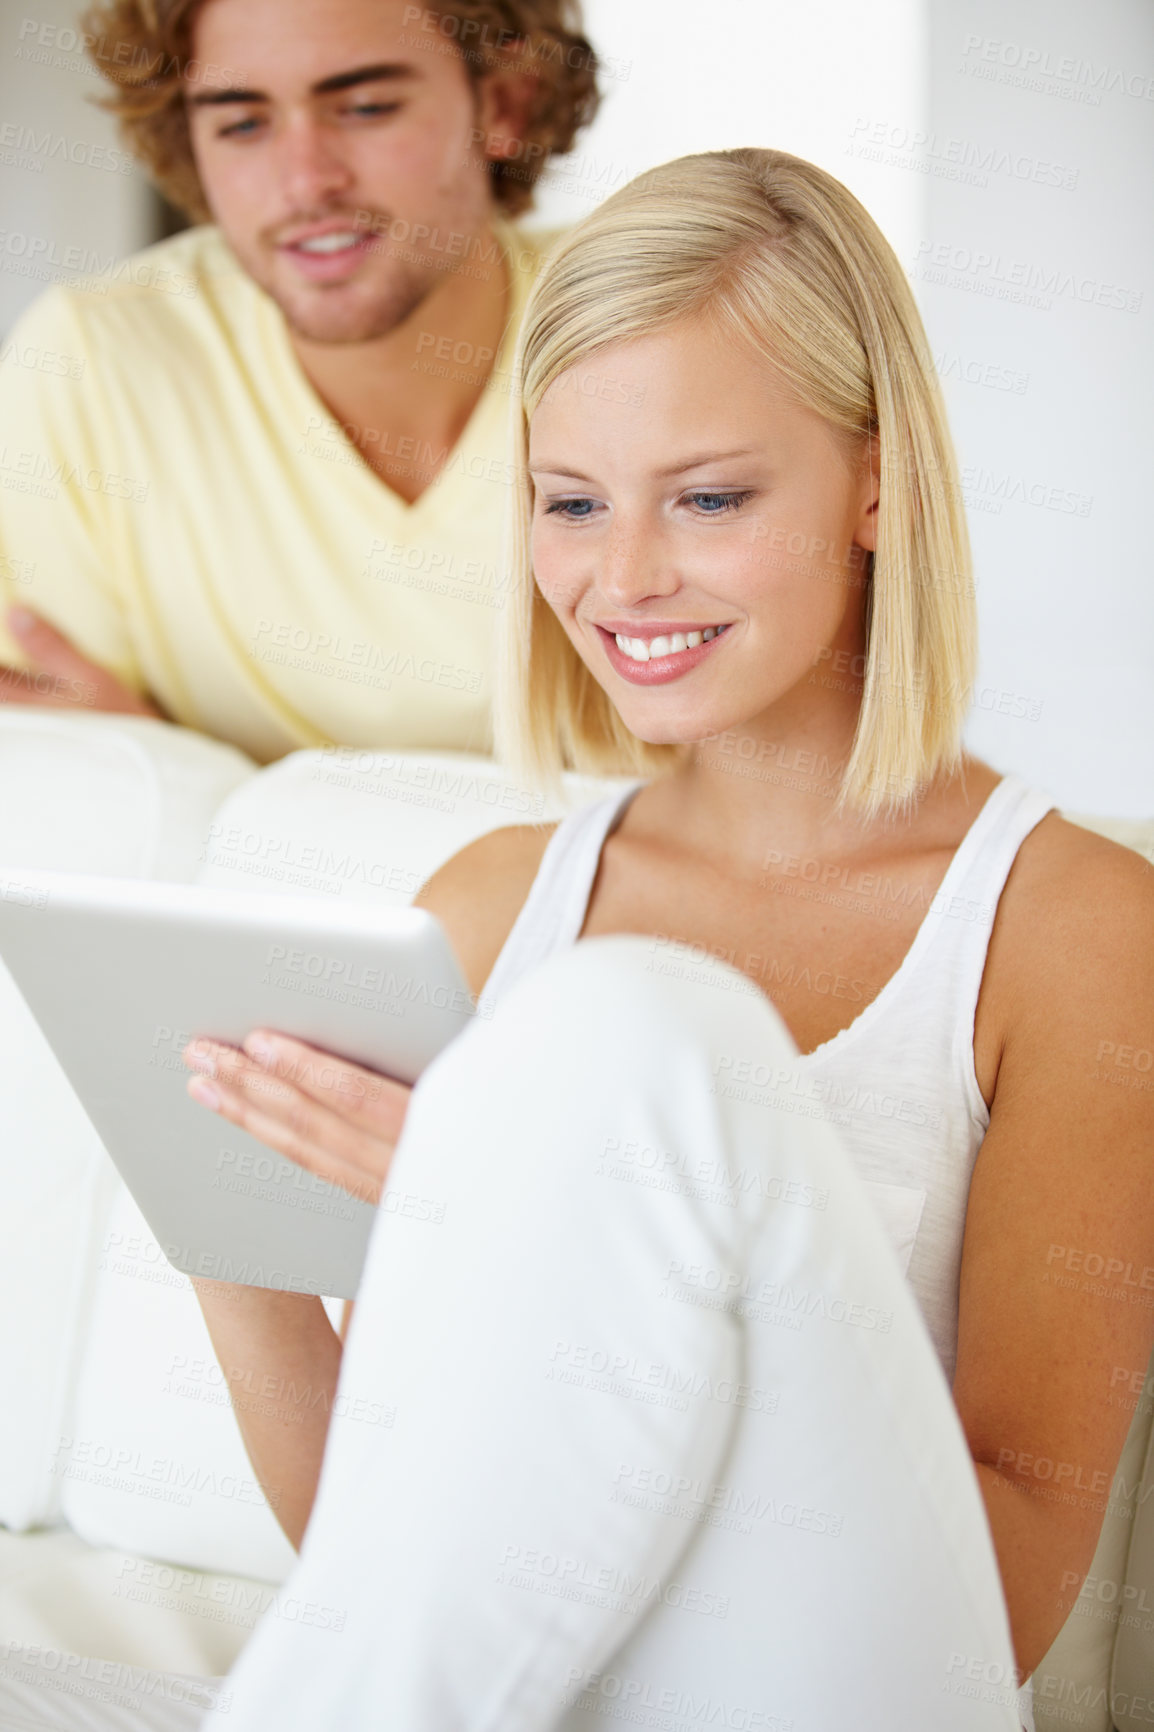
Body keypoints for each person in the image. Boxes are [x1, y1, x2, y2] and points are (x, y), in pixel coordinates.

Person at [4, 146, 1150, 1730]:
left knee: (635, 1036)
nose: (620, 581)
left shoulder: (1074, 929)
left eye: (709, 497)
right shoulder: (486, 903)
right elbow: (383, 1563)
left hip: (842, 1694)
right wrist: (223, 1210)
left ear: (874, 482)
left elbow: (1009, 1590)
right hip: (505, 1687)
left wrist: (511, 1210)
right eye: (569, 503)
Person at [0, 0, 598, 761]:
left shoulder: (656, 317)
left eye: (366, 107)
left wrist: (188, 771)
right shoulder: (96, 361)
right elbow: (76, 781)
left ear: (503, 103)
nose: (307, 181)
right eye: (242, 124)